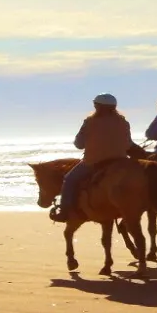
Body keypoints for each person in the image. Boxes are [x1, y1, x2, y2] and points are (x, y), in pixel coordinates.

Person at [52, 92, 135, 223]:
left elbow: (79, 144)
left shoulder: (89, 122)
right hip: (120, 161)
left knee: (69, 180)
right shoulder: (123, 121)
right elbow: (128, 143)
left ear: (98, 106)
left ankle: (64, 211)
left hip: (94, 162)